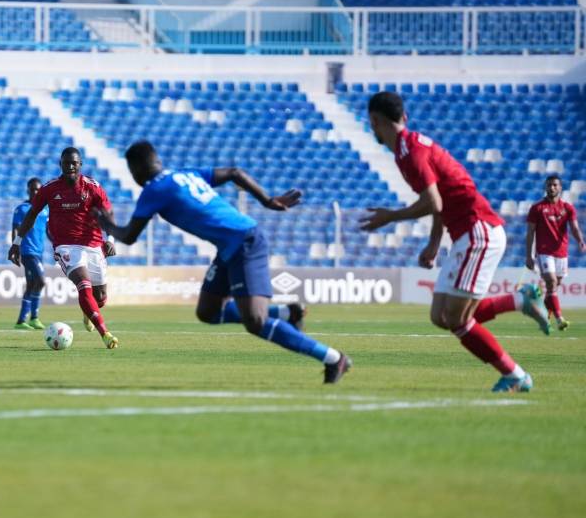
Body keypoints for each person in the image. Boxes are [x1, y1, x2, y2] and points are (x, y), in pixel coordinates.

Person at [96, 140, 351, 383]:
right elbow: (234, 172)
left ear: (136, 170)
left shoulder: (154, 190)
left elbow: (129, 236)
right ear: (157, 160)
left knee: (256, 321)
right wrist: (267, 200)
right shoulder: (185, 174)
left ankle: (333, 358)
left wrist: (106, 223)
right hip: (231, 246)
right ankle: (286, 312)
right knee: (208, 311)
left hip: (244, 243)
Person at [360, 92, 550, 393]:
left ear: (374, 121)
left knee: (457, 319)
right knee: (440, 316)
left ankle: (515, 375)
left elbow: (433, 201)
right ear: (404, 119)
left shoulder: (410, 153)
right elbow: (437, 200)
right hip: (468, 233)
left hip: (478, 230)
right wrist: (435, 242)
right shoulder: (407, 148)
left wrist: (390, 216)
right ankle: (519, 300)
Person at [9, 147, 119, 349]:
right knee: (83, 284)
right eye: (66, 163)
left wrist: (110, 238)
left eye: (74, 163)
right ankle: (106, 334)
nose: (70, 166)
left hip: (93, 245)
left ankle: (89, 312)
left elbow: (108, 214)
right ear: (60, 164)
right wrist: (16, 242)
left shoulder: (93, 187)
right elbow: (32, 214)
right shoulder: (50, 189)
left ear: (80, 165)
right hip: (67, 247)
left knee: (101, 297)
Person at [525, 174, 585, 331]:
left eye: (555, 185)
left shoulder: (568, 208)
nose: (552, 187)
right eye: (549, 185)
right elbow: (530, 232)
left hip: (562, 254)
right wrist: (529, 256)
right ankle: (560, 319)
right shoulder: (537, 208)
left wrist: (580, 240)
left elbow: (574, 227)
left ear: (560, 187)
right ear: (545, 187)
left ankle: (543, 318)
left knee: (553, 289)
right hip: (544, 252)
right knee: (551, 283)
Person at [12, 177, 49, 330]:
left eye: (38, 189)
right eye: (32, 189)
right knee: (40, 281)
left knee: (32, 284)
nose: (35, 192)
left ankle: (23, 320)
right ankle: (33, 317)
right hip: (27, 251)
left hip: (39, 251)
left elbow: (48, 230)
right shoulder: (21, 209)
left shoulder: (45, 209)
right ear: (28, 190)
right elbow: (14, 229)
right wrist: (15, 247)